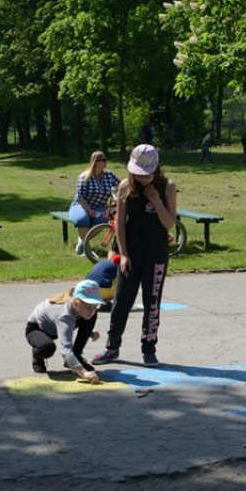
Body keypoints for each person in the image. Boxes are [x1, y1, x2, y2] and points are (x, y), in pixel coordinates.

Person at [91, 144, 177, 368]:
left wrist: (156, 200)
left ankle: (149, 348)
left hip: (156, 255)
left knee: (152, 303)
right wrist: (124, 254)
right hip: (130, 253)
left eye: (148, 175)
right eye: (139, 174)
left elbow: (169, 223)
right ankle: (112, 347)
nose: (143, 179)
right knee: (121, 301)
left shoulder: (167, 186)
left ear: (156, 169)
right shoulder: (125, 186)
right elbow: (119, 224)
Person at [25, 280, 107, 382]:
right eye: (88, 306)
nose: (91, 310)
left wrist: (89, 330)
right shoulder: (65, 315)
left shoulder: (80, 309)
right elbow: (66, 350)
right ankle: (37, 356)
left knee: (91, 316)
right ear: (76, 303)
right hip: (37, 328)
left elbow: (80, 317)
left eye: (95, 306)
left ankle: (76, 356)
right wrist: (83, 372)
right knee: (47, 347)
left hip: (57, 326)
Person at [69, 151, 121, 255]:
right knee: (82, 219)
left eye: (105, 159)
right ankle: (87, 249)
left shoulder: (109, 175)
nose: (105, 162)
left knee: (103, 220)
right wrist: (89, 211)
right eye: (103, 160)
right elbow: (80, 197)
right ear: (95, 162)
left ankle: (83, 242)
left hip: (99, 206)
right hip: (81, 205)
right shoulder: (84, 177)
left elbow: (120, 185)